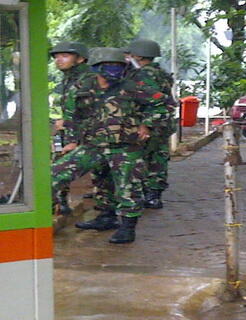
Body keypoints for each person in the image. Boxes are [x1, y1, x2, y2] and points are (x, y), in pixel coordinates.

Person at [52, 47, 176, 244]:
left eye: (119, 66)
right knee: (57, 174)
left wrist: (147, 124)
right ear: (96, 67)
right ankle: (104, 217)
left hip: (124, 146)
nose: (115, 70)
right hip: (92, 146)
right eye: (110, 66)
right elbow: (71, 115)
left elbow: (163, 104)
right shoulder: (82, 87)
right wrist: (71, 141)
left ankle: (127, 228)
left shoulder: (132, 86)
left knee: (128, 186)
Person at [125, 39, 175, 209]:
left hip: (148, 122)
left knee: (142, 159)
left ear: (137, 56)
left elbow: (152, 99)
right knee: (159, 157)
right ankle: (154, 195)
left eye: (129, 55)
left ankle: (144, 194)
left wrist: (146, 124)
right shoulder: (160, 72)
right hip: (163, 123)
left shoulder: (143, 75)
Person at [49, 41, 95, 215]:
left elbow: (88, 112)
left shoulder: (89, 80)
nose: (58, 60)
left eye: (65, 56)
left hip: (87, 138)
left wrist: (73, 140)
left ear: (81, 59)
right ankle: (61, 202)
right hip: (67, 134)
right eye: (56, 56)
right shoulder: (68, 79)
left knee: (60, 170)